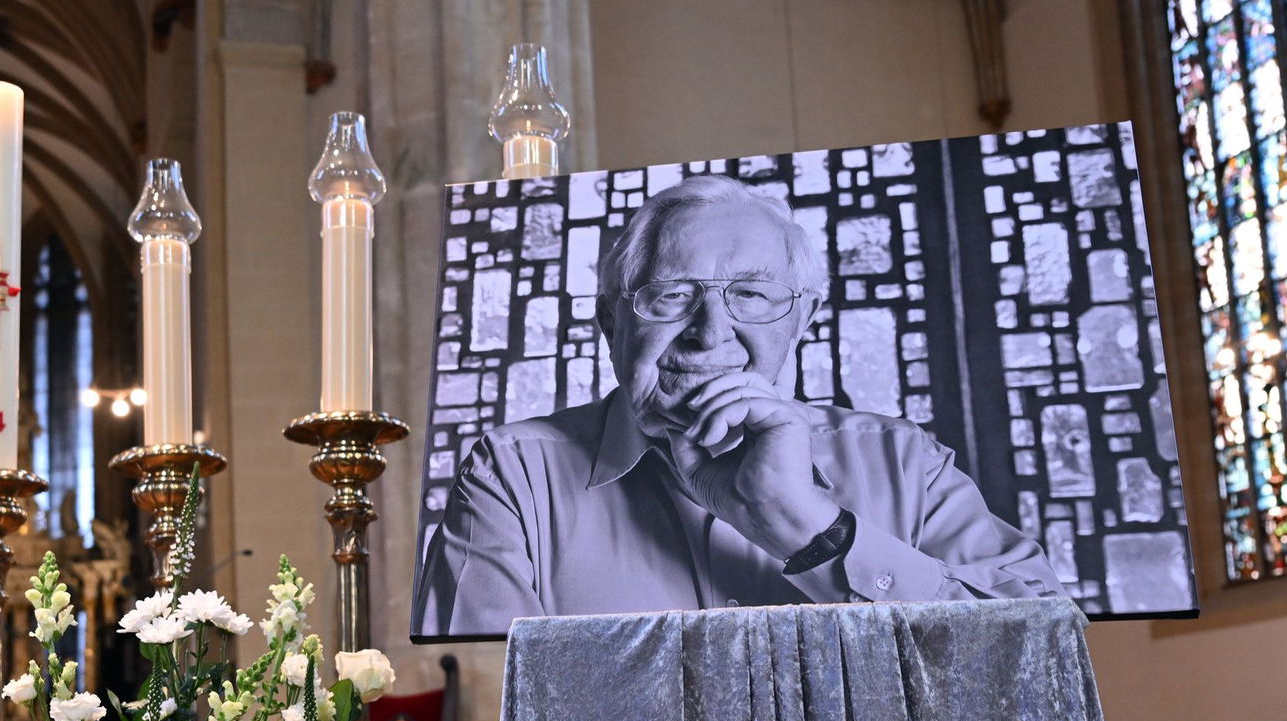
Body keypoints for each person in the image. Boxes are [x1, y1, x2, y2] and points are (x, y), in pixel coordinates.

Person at [413, 175, 1063, 637]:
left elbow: (1037, 656)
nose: (711, 332)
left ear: (801, 318)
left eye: (751, 296)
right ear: (613, 323)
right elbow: (490, 711)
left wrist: (807, 526)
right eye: (672, 296)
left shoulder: (905, 462)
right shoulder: (513, 476)